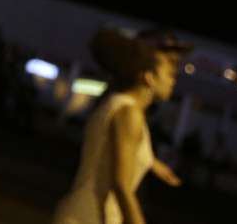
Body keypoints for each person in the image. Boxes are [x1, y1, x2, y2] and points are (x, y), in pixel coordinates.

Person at [53, 28, 189, 224]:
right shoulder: (129, 114)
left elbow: (118, 149)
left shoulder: (118, 102)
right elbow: (121, 186)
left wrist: (152, 163)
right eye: (170, 73)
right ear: (148, 77)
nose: (173, 80)